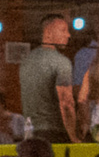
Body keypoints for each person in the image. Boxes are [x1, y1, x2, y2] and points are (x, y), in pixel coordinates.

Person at [20, 13, 78, 144]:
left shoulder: (27, 61)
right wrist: (73, 136)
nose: (68, 35)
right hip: (54, 132)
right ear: (48, 32)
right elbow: (66, 103)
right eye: (63, 30)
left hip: (29, 132)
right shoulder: (61, 62)